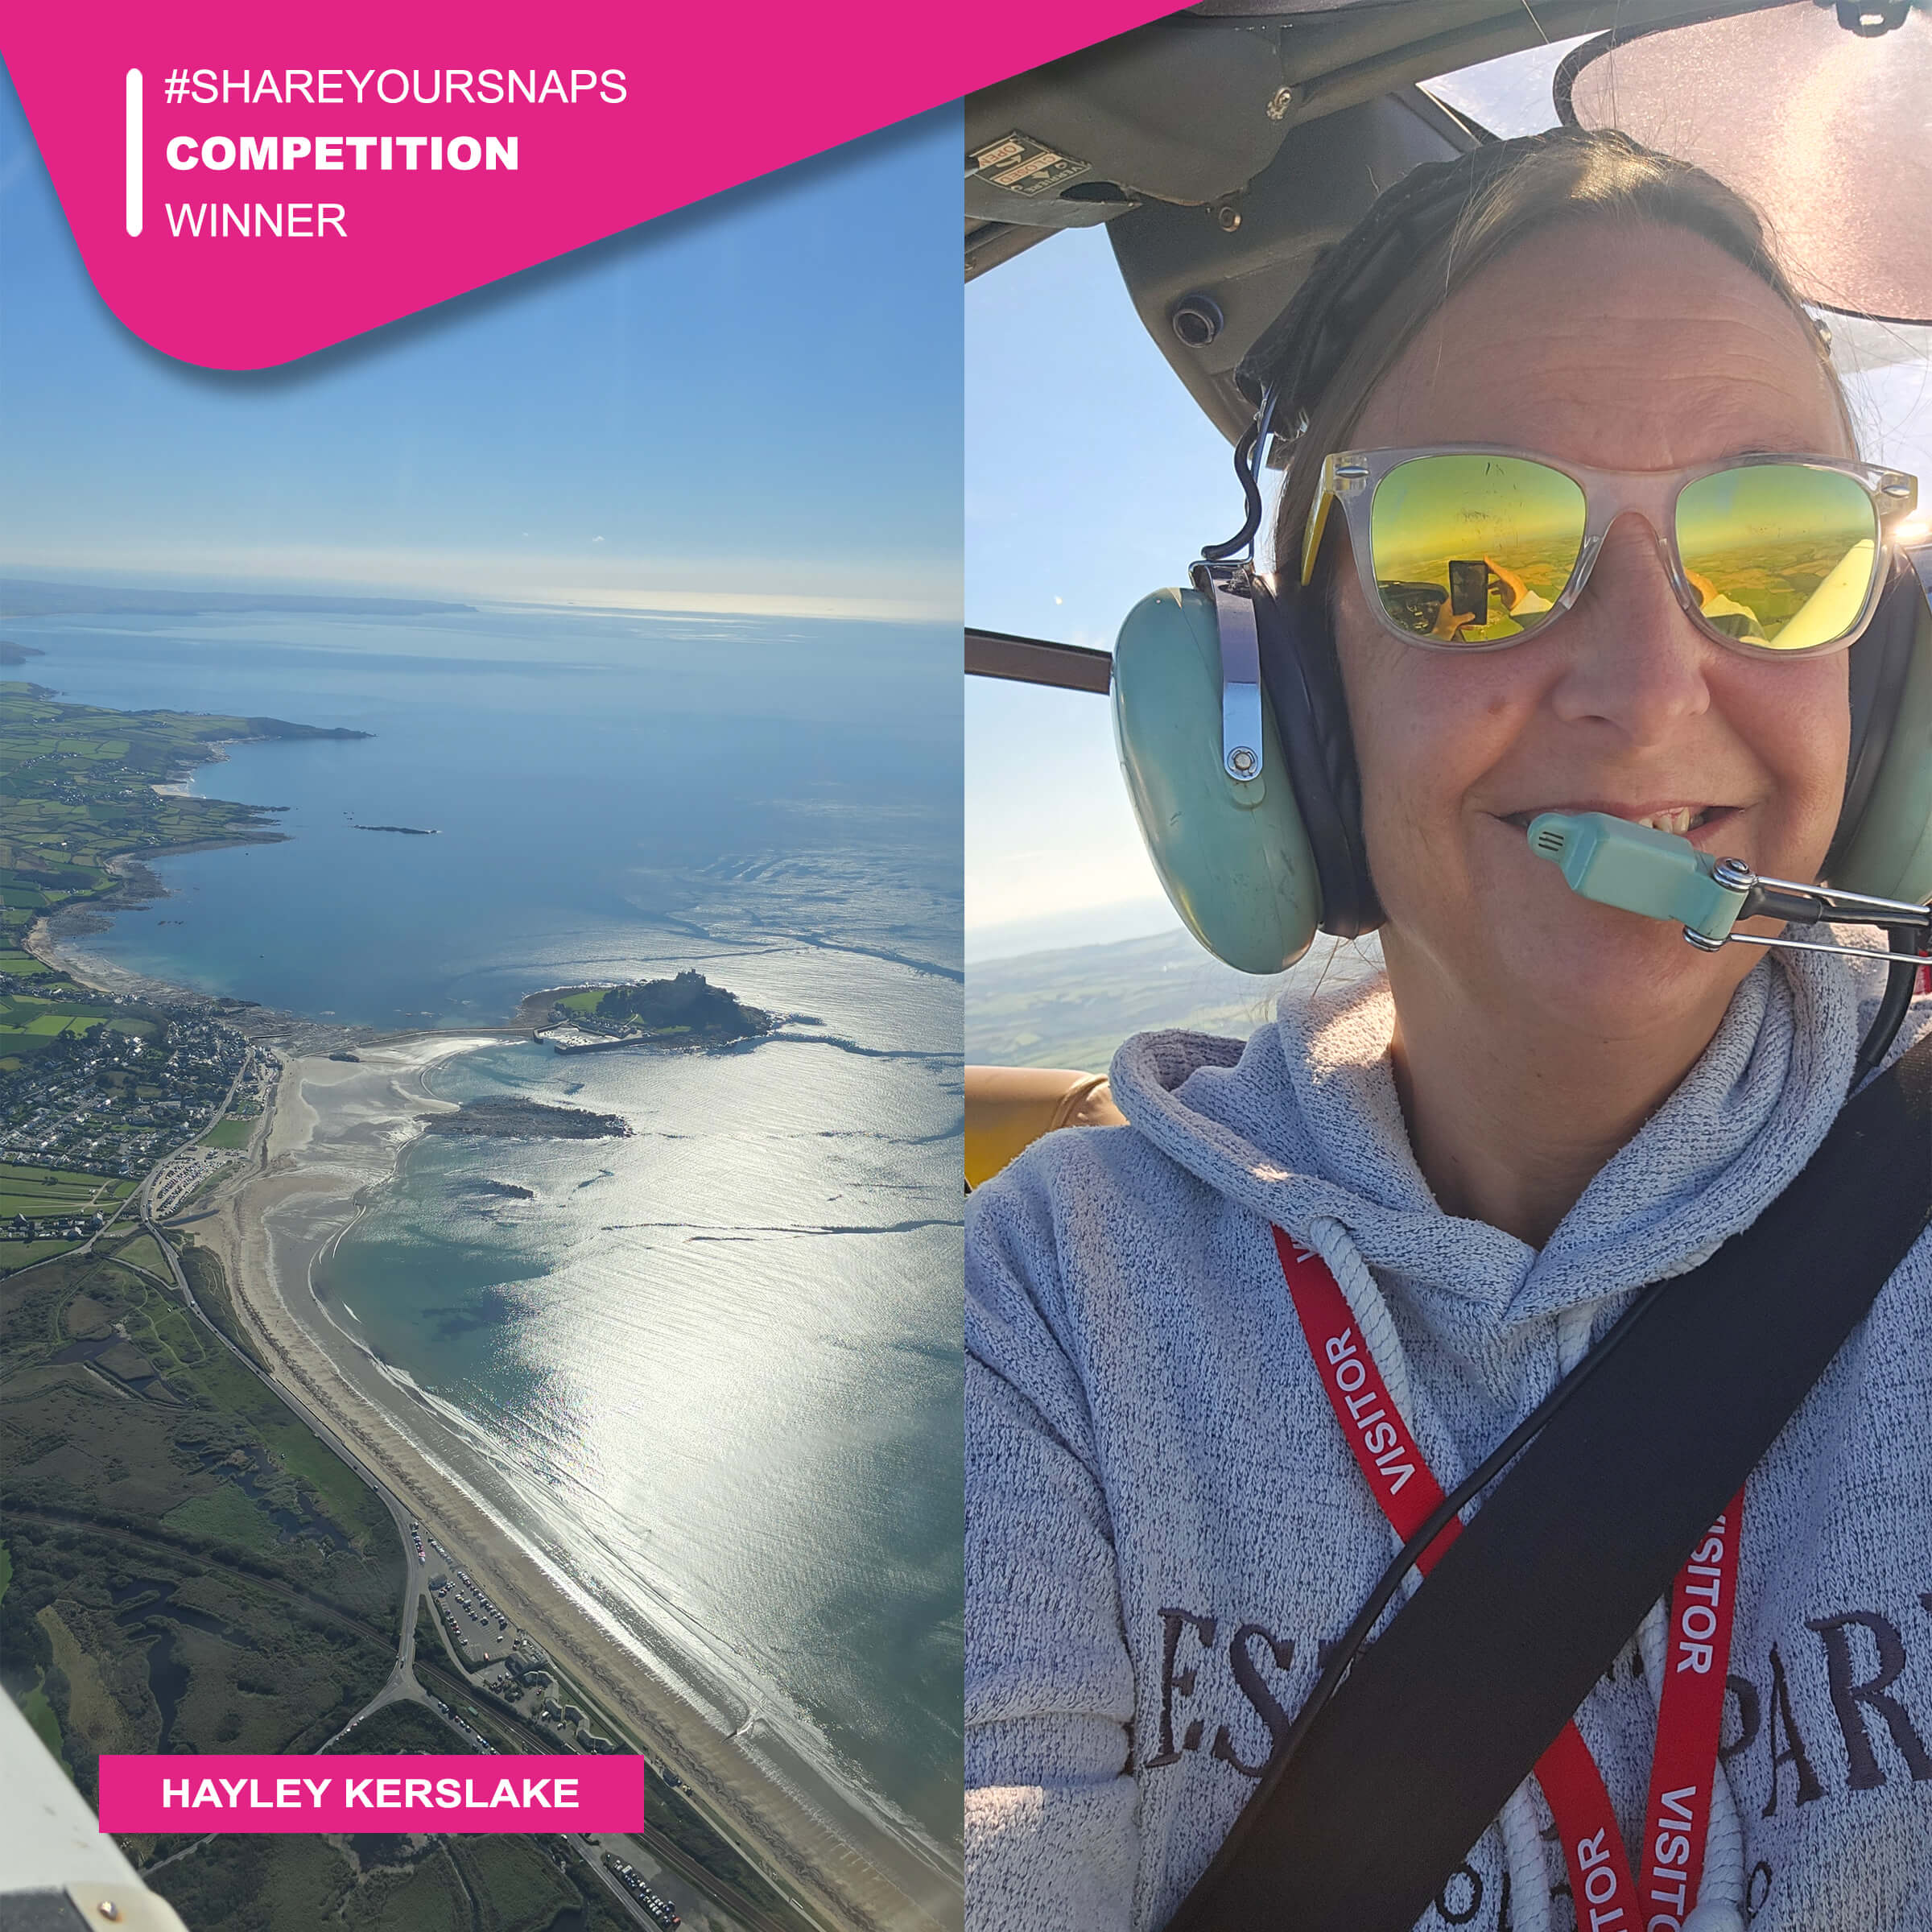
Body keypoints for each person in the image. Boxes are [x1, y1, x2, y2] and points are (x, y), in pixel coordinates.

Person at [964, 130, 1931, 1932]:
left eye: (1777, 551)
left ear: (1882, 692)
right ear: (1295, 704)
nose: (1647, 689)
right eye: (1473, 550)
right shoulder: (1053, 1314)